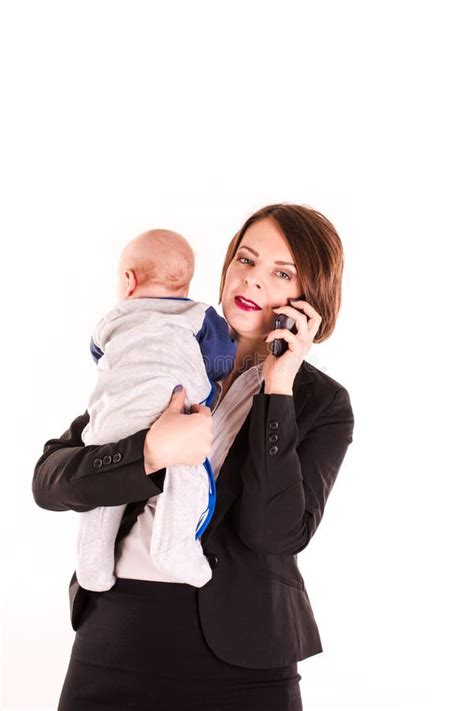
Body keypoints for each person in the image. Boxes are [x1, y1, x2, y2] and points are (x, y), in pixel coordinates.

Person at [32, 203, 355, 711]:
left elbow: (273, 533)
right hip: (114, 640)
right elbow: (51, 481)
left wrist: (278, 388)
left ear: (309, 299)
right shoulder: (163, 350)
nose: (252, 282)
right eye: (245, 261)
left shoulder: (321, 404)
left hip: (244, 664)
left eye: (281, 273)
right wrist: (149, 453)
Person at [76, 228, 237, 592]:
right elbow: (222, 359)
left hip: (108, 422)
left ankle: (93, 562)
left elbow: (99, 355)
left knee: (105, 494)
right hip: (170, 415)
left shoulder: (111, 319)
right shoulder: (198, 315)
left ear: (129, 280)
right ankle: (174, 546)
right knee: (187, 474)